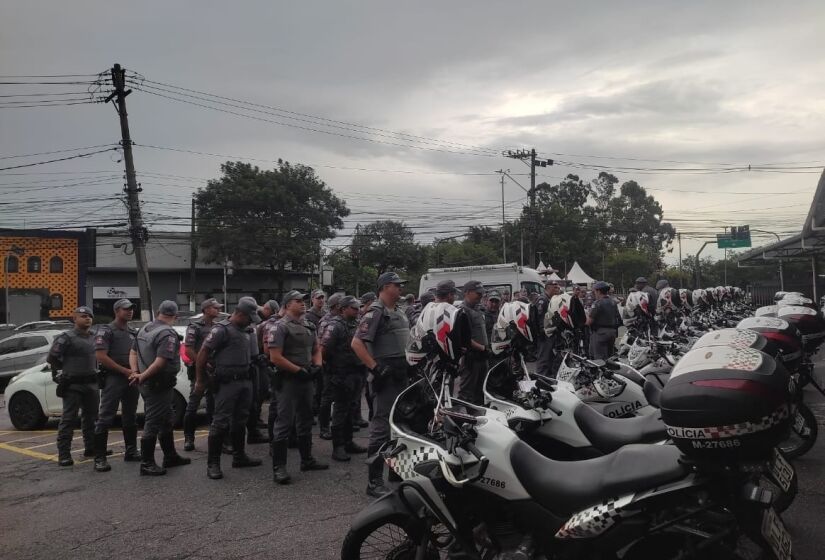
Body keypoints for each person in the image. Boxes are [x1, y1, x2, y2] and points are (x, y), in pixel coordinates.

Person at [351, 271, 410, 498]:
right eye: (396, 285)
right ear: (385, 287)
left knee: (400, 425)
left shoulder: (399, 312)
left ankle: (397, 472)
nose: (400, 288)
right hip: (386, 376)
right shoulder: (375, 312)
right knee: (381, 427)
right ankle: (374, 481)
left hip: (401, 374)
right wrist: (375, 368)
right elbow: (356, 343)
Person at [195, 297, 263, 480]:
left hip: (245, 381)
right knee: (220, 422)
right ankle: (213, 464)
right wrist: (201, 380)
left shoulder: (247, 330)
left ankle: (239, 456)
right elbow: (202, 354)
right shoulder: (221, 330)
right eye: (249, 317)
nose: (251, 321)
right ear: (239, 314)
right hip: (226, 383)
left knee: (241, 420)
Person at [267, 291, 328, 485]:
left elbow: (317, 348)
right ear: (286, 304)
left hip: (306, 378)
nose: (302, 304)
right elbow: (275, 357)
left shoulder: (309, 326)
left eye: (303, 301)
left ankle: (307, 459)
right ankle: (279, 467)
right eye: (297, 301)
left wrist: (317, 365)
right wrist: (297, 370)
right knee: (284, 422)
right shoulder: (280, 327)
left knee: (306, 419)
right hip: (288, 380)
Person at [130, 300, 191, 476]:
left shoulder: (145, 328)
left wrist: (136, 373)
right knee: (153, 422)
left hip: (147, 382)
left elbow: (133, 352)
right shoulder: (167, 334)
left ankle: (170, 456)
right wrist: (142, 376)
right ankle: (147, 463)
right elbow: (161, 362)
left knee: (166, 419)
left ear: (158, 312)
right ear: (176, 316)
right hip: (158, 384)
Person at [48, 306, 100, 467]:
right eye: (83, 316)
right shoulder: (66, 337)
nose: (87, 318)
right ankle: (64, 454)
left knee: (91, 418)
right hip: (73, 385)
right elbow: (52, 358)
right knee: (69, 419)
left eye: (90, 316)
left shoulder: (95, 336)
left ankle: (91, 448)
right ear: (74, 319)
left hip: (91, 383)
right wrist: (66, 371)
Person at [92, 299, 139, 472]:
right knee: (105, 416)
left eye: (132, 309)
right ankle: (100, 458)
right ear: (116, 311)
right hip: (114, 378)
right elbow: (101, 357)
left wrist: (134, 372)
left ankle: (131, 451)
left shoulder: (133, 331)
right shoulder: (106, 330)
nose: (130, 311)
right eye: (126, 309)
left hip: (131, 377)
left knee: (130, 415)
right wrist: (124, 371)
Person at [321, 296, 368, 462]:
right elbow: (324, 350)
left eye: (358, 308)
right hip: (341, 374)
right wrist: (333, 369)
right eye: (354, 308)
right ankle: (338, 447)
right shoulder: (335, 326)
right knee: (340, 411)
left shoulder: (357, 324)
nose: (358, 311)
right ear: (343, 309)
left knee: (351, 408)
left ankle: (349, 442)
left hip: (356, 372)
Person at [182, 298, 223, 452]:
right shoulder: (195, 326)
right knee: (193, 404)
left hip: (215, 371)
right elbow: (189, 350)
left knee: (213, 405)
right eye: (215, 308)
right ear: (205, 309)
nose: (218, 310)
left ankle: (215, 437)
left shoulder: (218, 327)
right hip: (199, 371)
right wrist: (203, 364)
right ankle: (188, 438)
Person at [457, 280, 489, 405]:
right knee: (466, 394)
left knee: (481, 392)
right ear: (467, 293)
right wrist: (482, 348)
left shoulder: (478, 309)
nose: (481, 296)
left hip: (482, 357)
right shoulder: (462, 311)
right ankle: (462, 420)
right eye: (478, 293)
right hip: (471, 358)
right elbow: (464, 338)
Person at [317, 292, 344, 440]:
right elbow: (323, 345)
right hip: (330, 365)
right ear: (338, 306)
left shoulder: (342, 320)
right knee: (327, 397)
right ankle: (324, 427)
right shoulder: (326, 321)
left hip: (342, 366)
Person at [531, 280, 560, 376]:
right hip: (544, 335)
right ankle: (540, 381)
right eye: (554, 287)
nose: (557, 289)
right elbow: (540, 319)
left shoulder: (550, 299)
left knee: (550, 359)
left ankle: (547, 380)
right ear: (548, 287)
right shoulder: (542, 300)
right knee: (544, 360)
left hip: (550, 334)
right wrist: (542, 332)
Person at [586, 281, 620, 360]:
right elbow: (617, 317)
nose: (594, 293)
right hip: (612, 333)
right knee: (609, 358)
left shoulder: (597, 303)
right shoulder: (613, 302)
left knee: (599, 360)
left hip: (600, 333)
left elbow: (589, 321)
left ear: (598, 291)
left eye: (594, 291)